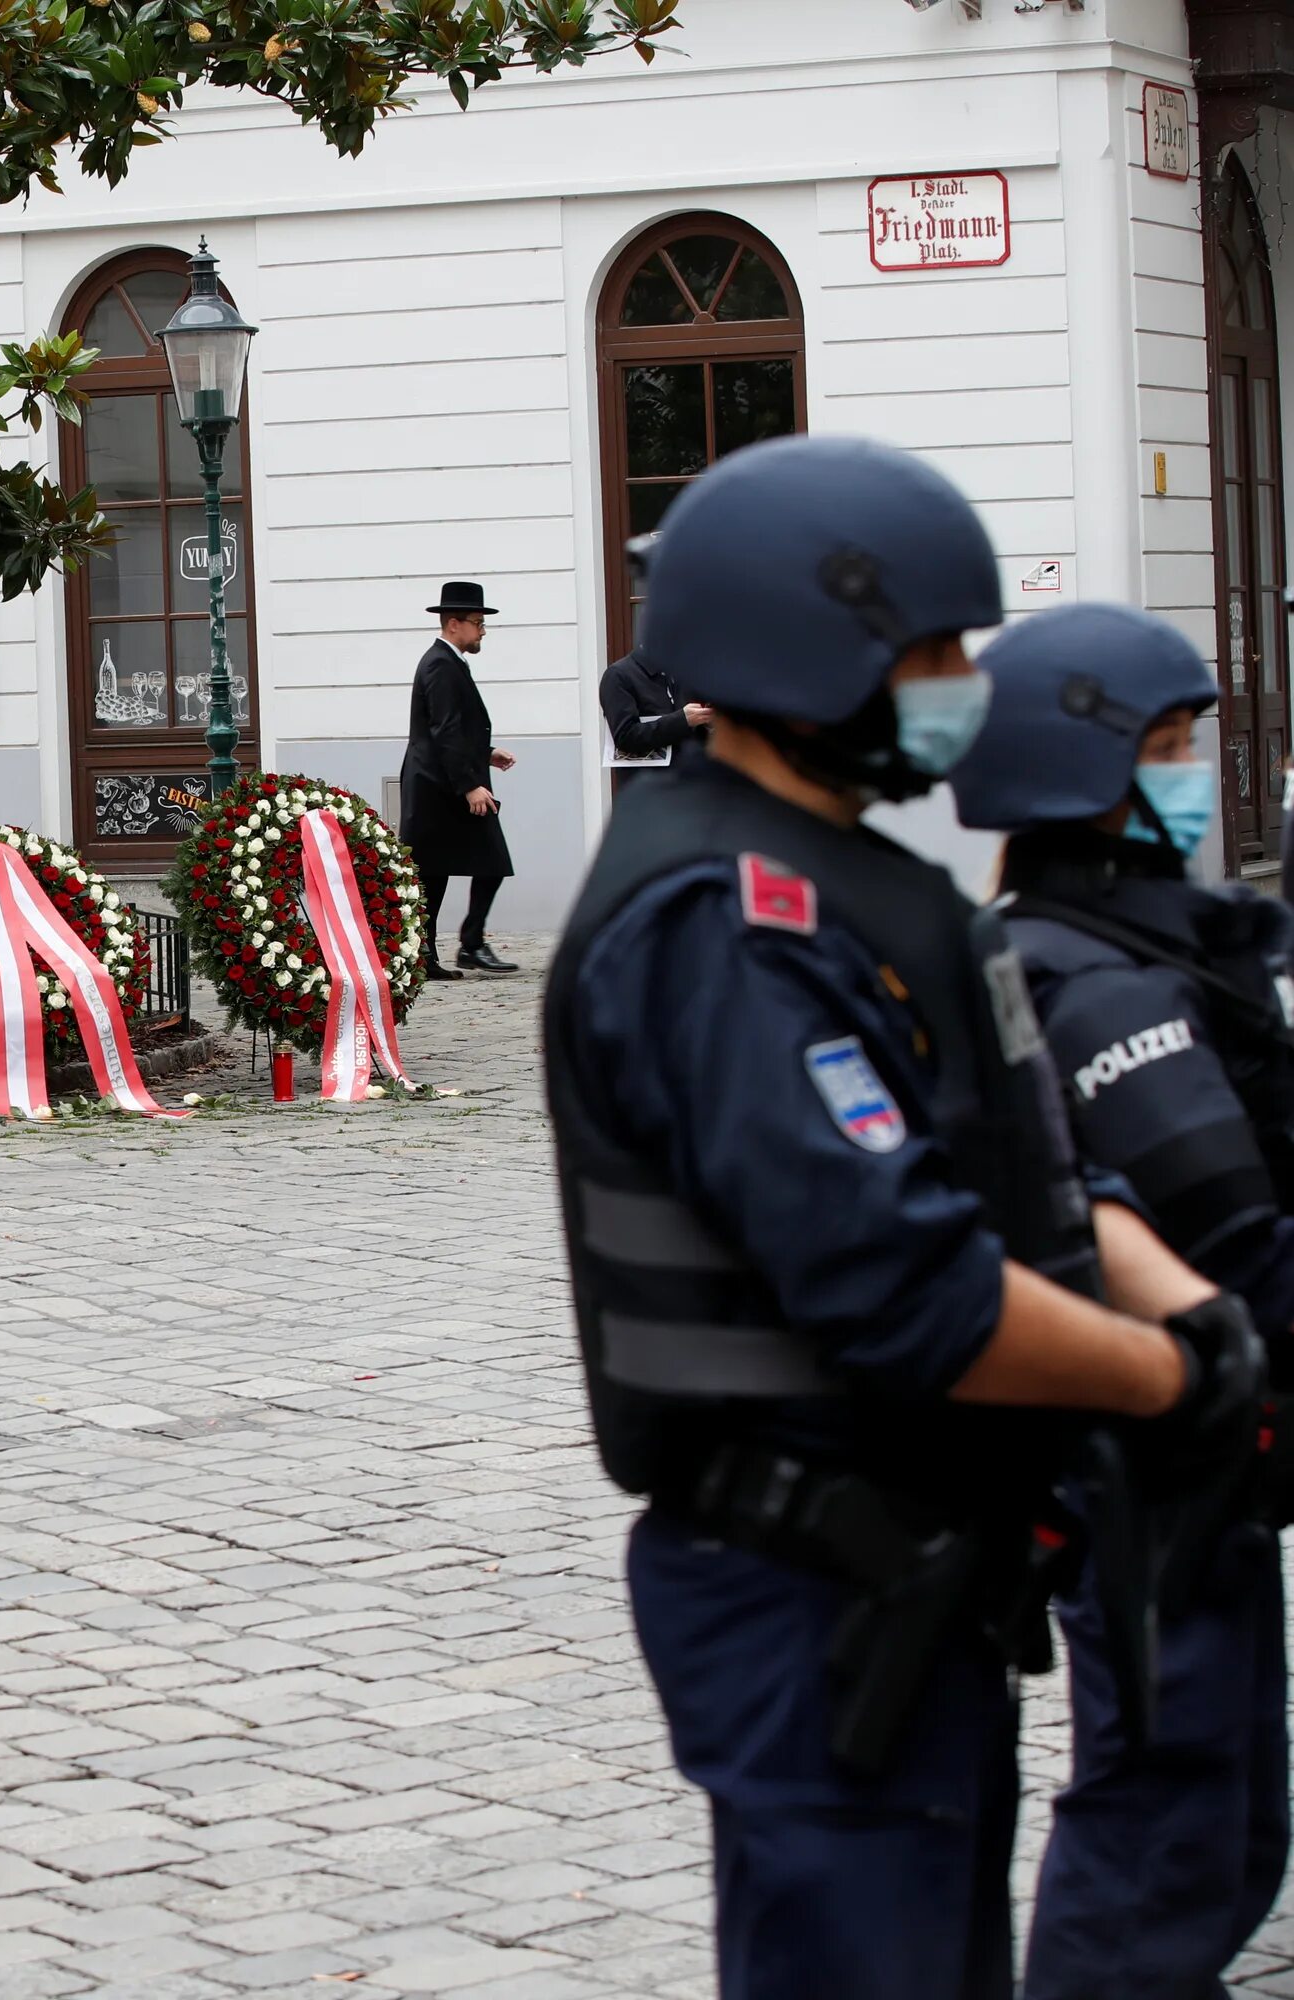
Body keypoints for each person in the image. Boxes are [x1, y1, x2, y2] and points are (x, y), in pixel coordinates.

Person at [541, 435, 1266, 2000]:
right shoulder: (721, 923)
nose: (959, 686)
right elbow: (908, 1285)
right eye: (929, 652)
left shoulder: (857, 882)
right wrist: (1167, 1381)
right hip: (810, 1584)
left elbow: (1041, 1173)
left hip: (911, 1567)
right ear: (813, 655)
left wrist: (1185, 1308)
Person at [947, 602, 1290, 1998]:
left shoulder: (1126, 942)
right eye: (1166, 746)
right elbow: (1236, 1237)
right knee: (1168, 1821)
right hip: (1156, 1465)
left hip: (1196, 1458)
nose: (1190, 770)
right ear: (1075, 775)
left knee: (1226, 1817)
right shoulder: (1082, 976)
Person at [398, 582, 517, 975]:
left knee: (468, 864)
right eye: (478, 623)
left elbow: (452, 728)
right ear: (454, 624)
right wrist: (469, 785)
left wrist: (485, 754)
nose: (482, 630)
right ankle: (437, 951)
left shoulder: (447, 662)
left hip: (444, 780)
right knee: (442, 870)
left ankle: (454, 947)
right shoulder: (439, 664)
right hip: (440, 786)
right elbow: (444, 731)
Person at [598, 644, 711, 789]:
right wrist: (682, 720)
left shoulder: (681, 674)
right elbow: (625, 736)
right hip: (646, 792)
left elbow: (694, 733)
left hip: (688, 788)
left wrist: (708, 722)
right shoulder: (618, 675)